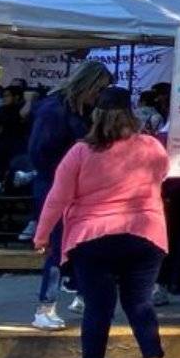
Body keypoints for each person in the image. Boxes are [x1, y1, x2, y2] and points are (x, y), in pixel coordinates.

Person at [32, 86, 170, 358]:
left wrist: (42, 235)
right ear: (131, 114)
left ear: (96, 115)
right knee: (140, 303)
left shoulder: (80, 152)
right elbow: (162, 176)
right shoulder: (152, 146)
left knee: (98, 308)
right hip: (144, 234)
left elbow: (57, 198)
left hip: (92, 236)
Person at [28, 60, 113, 331]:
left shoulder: (79, 110)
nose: (99, 95)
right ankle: (45, 306)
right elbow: (40, 153)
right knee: (56, 246)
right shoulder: (55, 111)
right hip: (57, 185)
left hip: (76, 187)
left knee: (82, 244)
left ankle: (79, 294)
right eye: (98, 89)